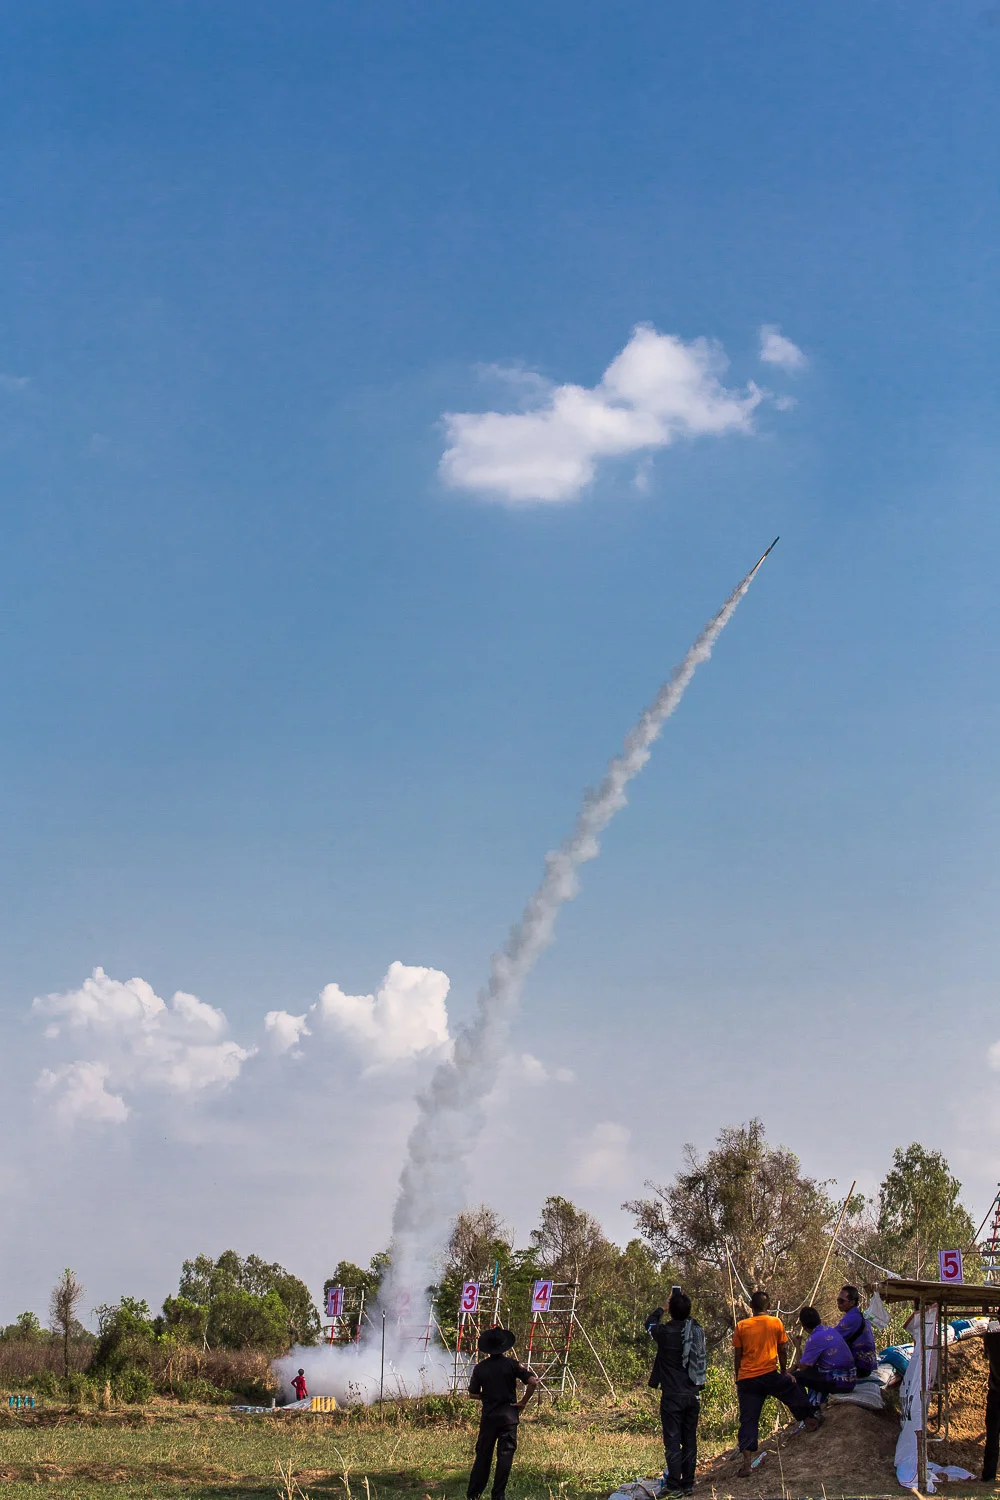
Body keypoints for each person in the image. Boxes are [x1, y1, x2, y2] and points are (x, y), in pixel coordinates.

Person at [733, 1290, 818, 1477]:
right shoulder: (775, 1322)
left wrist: (737, 1375)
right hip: (770, 1375)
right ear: (769, 1307)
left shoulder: (741, 1326)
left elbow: (738, 1355)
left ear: (751, 1306)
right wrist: (783, 1371)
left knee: (748, 1419)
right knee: (792, 1388)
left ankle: (747, 1464)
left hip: (747, 1380)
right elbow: (782, 1350)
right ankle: (809, 1419)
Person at [645, 1289, 707, 1497]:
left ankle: (673, 1484)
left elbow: (649, 1324)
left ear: (670, 1310)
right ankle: (688, 1484)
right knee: (689, 1438)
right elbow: (690, 1320)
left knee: (672, 1440)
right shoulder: (696, 1330)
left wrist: (662, 1307)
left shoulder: (664, 1333)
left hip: (672, 1395)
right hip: (693, 1393)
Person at [467, 1326, 540, 1500]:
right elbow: (533, 1382)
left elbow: (472, 1394)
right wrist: (523, 1402)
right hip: (509, 1417)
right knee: (505, 1457)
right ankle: (498, 1495)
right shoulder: (512, 1365)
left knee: (483, 1456)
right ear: (504, 1346)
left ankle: (474, 1494)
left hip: (489, 1418)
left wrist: (486, 1396)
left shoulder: (480, 1368)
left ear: (487, 1348)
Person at [792, 1306, 857, 1400]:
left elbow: (802, 1367)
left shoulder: (814, 1339)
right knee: (811, 1370)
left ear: (804, 1326)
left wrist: (797, 1346)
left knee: (796, 1377)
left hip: (840, 1383)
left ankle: (807, 1407)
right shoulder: (830, 1330)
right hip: (851, 1380)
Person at [834, 1285, 877, 1378]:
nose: (838, 1303)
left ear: (852, 1302)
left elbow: (832, 1337)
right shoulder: (858, 1315)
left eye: (841, 1301)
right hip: (866, 1365)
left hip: (860, 1368)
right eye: (838, 1300)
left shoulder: (852, 1318)